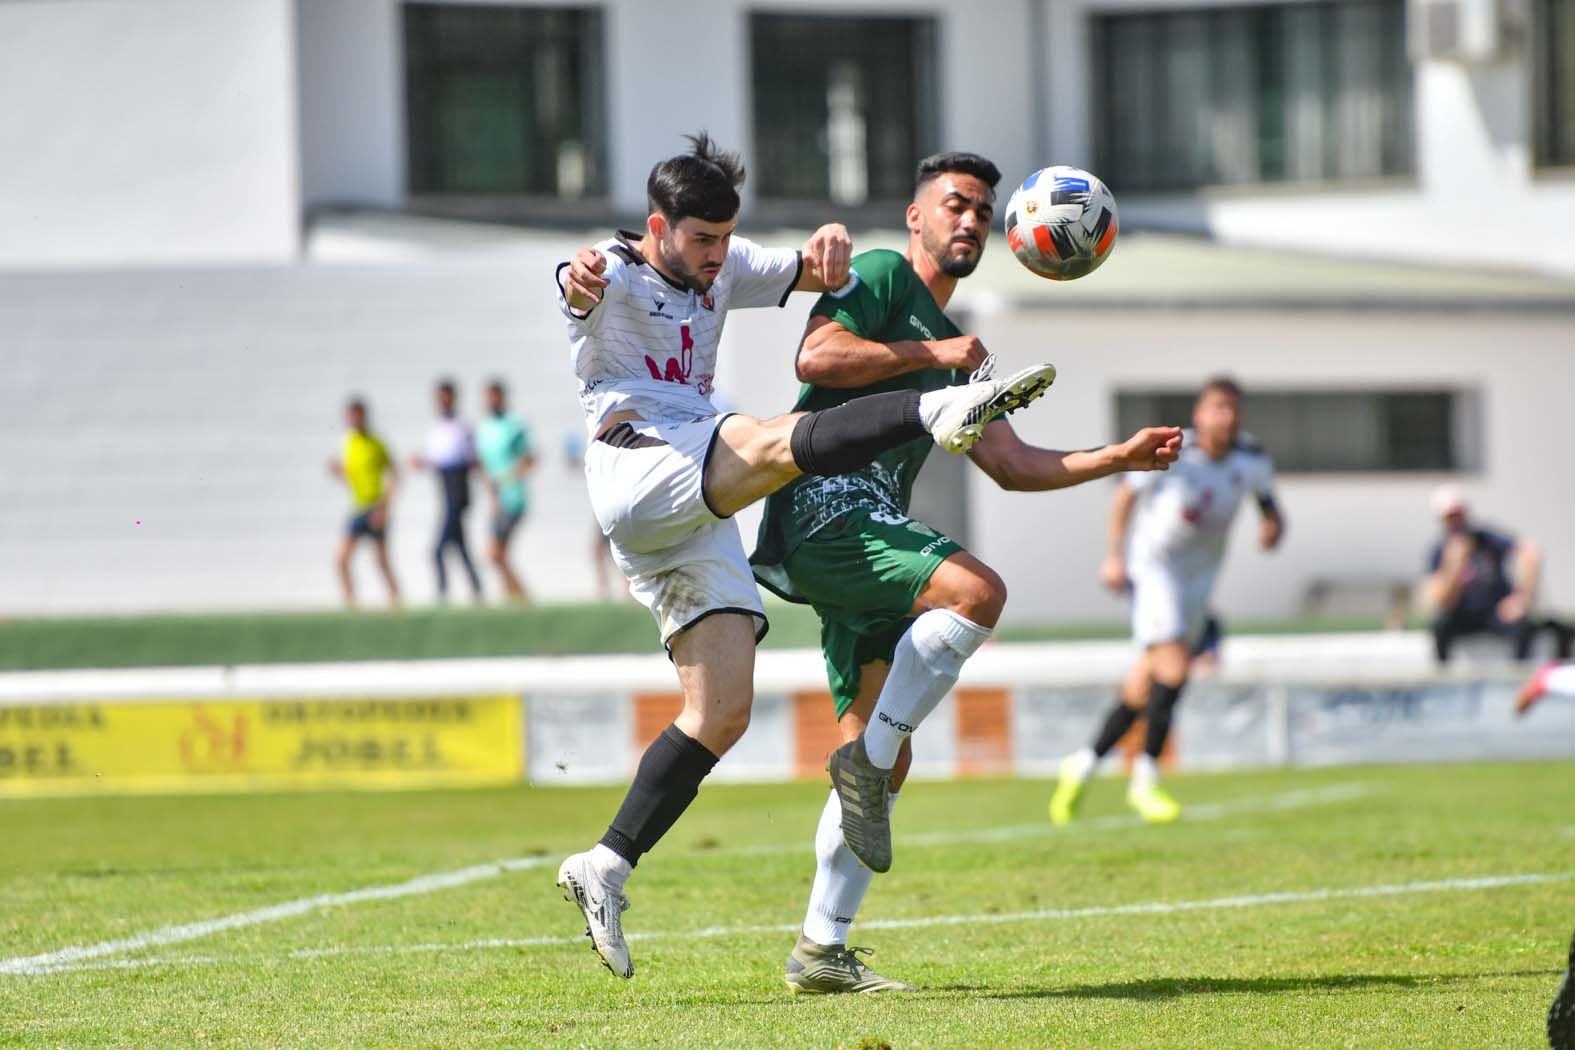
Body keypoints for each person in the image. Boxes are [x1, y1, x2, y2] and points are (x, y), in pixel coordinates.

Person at [550, 132, 1059, 981]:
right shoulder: (610, 270)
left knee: (720, 713)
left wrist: (826, 250)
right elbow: (574, 288)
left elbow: (815, 275)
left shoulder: (727, 259)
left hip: (698, 505)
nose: (715, 260)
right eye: (699, 242)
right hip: (641, 463)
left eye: (723, 239)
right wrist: (577, 280)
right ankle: (932, 415)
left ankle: (605, 864)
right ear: (656, 227)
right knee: (767, 437)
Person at [748, 151, 1183, 994]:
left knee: (882, 759)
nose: (971, 220)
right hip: (825, 508)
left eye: (984, 210)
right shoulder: (879, 275)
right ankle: (867, 768)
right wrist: (930, 351)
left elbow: (1014, 465)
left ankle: (820, 950)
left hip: (866, 534)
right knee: (976, 593)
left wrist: (1116, 458)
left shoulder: (956, 355)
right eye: (955, 204)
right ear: (915, 217)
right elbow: (817, 360)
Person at [1050, 377, 1285, 826]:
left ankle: (1081, 763)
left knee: (1145, 684)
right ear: (1199, 414)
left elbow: (1270, 506)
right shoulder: (1177, 450)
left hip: (1200, 580)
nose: (1227, 417)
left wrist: (1272, 528)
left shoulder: (1252, 458)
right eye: (1218, 407)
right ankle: (1146, 779)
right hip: (1153, 570)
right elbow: (1125, 494)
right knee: (1175, 667)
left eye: (1234, 408)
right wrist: (1115, 556)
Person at [1423, 486, 1568, 663]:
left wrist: (1521, 598)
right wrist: (1454, 567)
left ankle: (1519, 679)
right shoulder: (1439, 551)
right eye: (1450, 517)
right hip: (1463, 615)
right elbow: (1440, 600)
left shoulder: (1487, 539)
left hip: (1496, 612)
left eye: (1458, 514)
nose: (1456, 521)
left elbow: (1531, 554)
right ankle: (1443, 681)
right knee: (1440, 626)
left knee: (1526, 627)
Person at [410, 378, 482, 602]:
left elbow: (469, 459)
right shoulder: (436, 428)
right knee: (461, 548)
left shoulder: (462, 426)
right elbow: (435, 458)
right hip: (445, 490)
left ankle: (442, 594)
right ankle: (478, 591)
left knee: (438, 550)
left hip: (457, 492)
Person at [327, 398, 402, 608]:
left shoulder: (376, 443)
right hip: (358, 508)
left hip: (376, 507)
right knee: (342, 559)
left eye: (357, 415)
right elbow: (353, 477)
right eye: (350, 416)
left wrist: (385, 506)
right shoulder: (349, 442)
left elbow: (395, 475)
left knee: (381, 561)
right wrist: (339, 472)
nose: (354, 420)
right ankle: (351, 603)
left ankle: (397, 602)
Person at [475, 379, 535, 602]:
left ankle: (523, 597)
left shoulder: (514, 424)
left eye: (495, 396)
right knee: (497, 555)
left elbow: (530, 458)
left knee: (495, 553)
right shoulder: (484, 428)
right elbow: (484, 465)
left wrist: (508, 478)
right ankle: (511, 597)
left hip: (513, 498)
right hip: (496, 502)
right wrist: (491, 495)